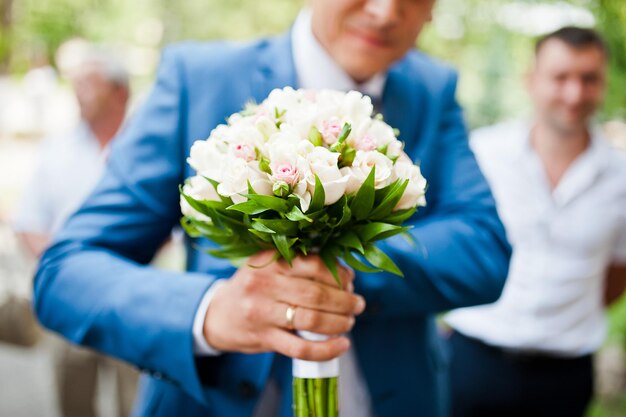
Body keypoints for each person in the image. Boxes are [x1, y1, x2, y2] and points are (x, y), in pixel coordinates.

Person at [33, 1, 511, 416]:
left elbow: (483, 249)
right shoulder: (197, 79)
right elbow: (66, 271)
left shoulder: (433, 90)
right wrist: (208, 311)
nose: (386, 11)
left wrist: (338, 268)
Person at [445, 27, 626, 417]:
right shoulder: (484, 154)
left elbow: (617, 273)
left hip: (565, 376)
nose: (574, 94)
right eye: (561, 77)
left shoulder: (621, 176)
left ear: (603, 84)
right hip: (473, 360)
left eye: (588, 79)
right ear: (532, 81)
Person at [13, 52, 138, 417]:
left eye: (88, 83)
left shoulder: (144, 148)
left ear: (120, 93)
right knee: (73, 397)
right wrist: (66, 267)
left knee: (138, 399)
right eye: (76, 83)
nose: (77, 92)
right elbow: (28, 222)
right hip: (71, 297)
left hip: (132, 296)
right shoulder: (57, 149)